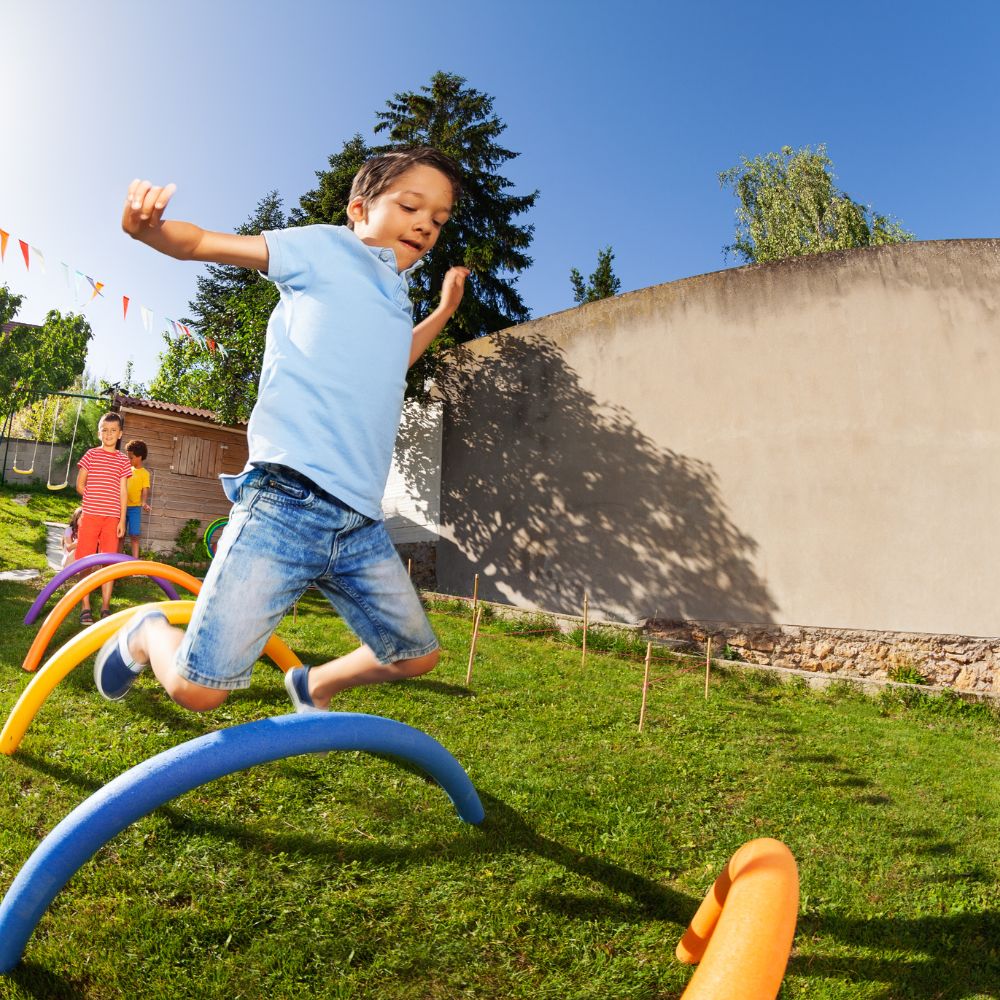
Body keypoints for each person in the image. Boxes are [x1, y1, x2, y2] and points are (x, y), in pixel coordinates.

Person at [96, 147, 470, 715]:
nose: (425, 224)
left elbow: (395, 361)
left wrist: (441, 313)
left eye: (438, 221)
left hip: (359, 522)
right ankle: (150, 633)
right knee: (199, 691)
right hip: (285, 501)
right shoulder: (326, 250)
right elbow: (205, 244)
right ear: (359, 208)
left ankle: (312, 686)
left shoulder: (396, 298)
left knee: (415, 655)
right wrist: (153, 234)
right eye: (412, 205)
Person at [76, 412, 132, 623]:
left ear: (120, 434)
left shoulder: (122, 460)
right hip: (90, 516)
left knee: (108, 562)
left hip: (112, 519)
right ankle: (86, 607)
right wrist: (94, 497)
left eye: (113, 430)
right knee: (84, 561)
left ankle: (106, 607)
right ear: (99, 432)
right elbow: (80, 485)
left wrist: (121, 520)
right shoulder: (91, 455)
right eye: (104, 430)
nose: (108, 434)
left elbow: (123, 492)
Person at [124, 439, 152, 558]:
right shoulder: (126, 469)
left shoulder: (145, 474)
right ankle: (114, 563)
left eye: (131, 457)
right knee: (120, 535)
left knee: (134, 535)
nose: (128, 460)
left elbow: (145, 489)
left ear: (139, 457)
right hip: (122, 507)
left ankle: (134, 563)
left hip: (135, 508)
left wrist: (144, 502)